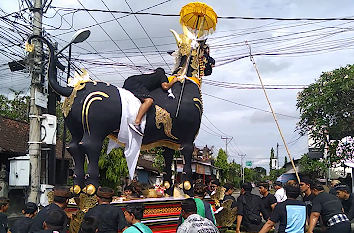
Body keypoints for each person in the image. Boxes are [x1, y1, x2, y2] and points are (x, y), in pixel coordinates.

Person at [123, 68, 178, 136]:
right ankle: (137, 123)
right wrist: (173, 81)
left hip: (129, 80)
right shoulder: (161, 75)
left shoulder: (149, 75)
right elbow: (165, 86)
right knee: (149, 100)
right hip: (137, 84)